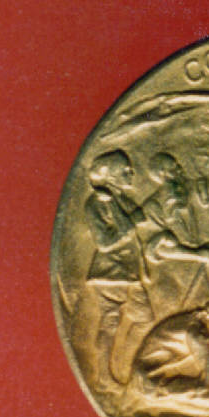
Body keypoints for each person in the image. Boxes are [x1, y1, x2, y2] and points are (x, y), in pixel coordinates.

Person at [77, 149, 153, 388]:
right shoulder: (96, 203)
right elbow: (104, 242)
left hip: (131, 273)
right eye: (126, 170)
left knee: (145, 319)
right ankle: (104, 375)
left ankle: (127, 367)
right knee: (110, 323)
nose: (132, 174)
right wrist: (130, 225)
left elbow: (139, 224)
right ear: (109, 174)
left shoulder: (121, 199)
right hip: (111, 273)